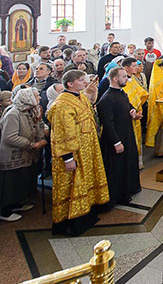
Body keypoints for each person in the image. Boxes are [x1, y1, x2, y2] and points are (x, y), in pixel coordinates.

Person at [47, 70, 108, 236]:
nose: (85, 83)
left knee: (86, 180)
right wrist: (67, 158)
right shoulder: (62, 105)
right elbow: (62, 133)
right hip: (74, 152)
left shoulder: (79, 96)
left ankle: (87, 212)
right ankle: (72, 222)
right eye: (81, 80)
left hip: (87, 148)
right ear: (70, 84)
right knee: (74, 183)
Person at [0, 87, 46, 222]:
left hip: (26, 155)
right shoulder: (13, 113)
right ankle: (5, 212)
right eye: (36, 95)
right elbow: (10, 137)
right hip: (13, 155)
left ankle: (16, 204)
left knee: (20, 182)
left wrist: (41, 136)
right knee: (10, 184)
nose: (39, 98)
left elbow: (39, 125)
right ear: (27, 98)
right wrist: (33, 145)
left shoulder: (31, 110)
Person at [96, 67, 141, 207]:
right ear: (115, 79)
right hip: (115, 139)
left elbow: (128, 106)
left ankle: (129, 189)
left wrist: (132, 110)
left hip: (126, 133)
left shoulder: (121, 93)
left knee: (128, 163)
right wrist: (116, 142)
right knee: (117, 169)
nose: (127, 79)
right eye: (124, 77)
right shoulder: (106, 99)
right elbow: (107, 124)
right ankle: (118, 196)